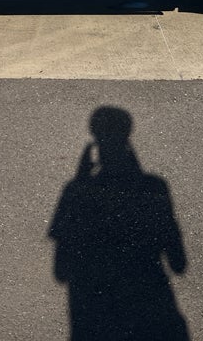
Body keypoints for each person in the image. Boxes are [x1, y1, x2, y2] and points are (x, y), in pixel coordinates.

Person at [49, 106, 189, 340]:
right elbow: (178, 263)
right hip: (153, 320)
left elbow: (61, 271)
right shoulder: (154, 189)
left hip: (94, 322)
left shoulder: (75, 193)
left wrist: (81, 185)